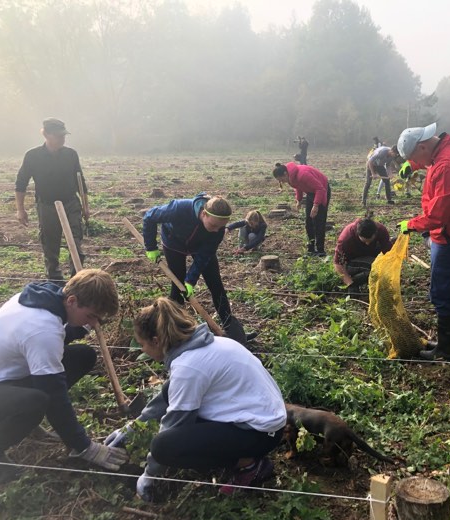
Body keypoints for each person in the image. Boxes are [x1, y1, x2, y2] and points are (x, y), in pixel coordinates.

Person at [105, 298, 286, 502]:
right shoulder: (207, 345)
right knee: (170, 394)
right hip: (262, 420)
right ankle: (243, 456)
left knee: (163, 447)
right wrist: (133, 428)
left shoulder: (189, 367)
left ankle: (250, 466)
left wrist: (149, 474)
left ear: (156, 341)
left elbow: (173, 425)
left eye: (142, 344)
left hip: (260, 433)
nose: (142, 350)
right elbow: (167, 395)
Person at [0, 269, 127, 484]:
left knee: (82, 356)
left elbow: (57, 334)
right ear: (72, 300)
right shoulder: (41, 330)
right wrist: (83, 447)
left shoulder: (45, 298)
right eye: (91, 316)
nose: (95, 322)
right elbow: (55, 396)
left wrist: (84, 327)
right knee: (38, 401)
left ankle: (23, 422)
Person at [396, 123, 450, 361]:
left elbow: (437, 216)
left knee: (441, 293)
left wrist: (410, 225)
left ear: (423, 146)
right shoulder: (447, 146)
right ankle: (449, 344)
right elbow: (427, 158)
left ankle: (446, 351)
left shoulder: (448, 166)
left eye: (415, 157)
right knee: (449, 292)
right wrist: (411, 164)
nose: (418, 163)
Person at [142, 193, 252, 344]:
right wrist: (151, 247)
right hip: (174, 244)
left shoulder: (217, 231)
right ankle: (175, 332)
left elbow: (204, 256)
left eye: (220, 227)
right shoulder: (179, 209)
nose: (216, 230)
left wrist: (191, 280)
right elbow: (150, 216)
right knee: (177, 287)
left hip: (200, 247)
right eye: (213, 225)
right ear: (204, 213)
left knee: (216, 285)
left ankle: (231, 329)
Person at [16, 118, 89, 282]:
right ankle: (55, 279)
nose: (62, 139)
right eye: (58, 136)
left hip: (71, 203)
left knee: (76, 242)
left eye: (64, 135)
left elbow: (80, 181)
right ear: (46, 134)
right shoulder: (32, 156)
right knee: (50, 244)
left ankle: (77, 278)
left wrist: (85, 206)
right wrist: (20, 209)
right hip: (47, 205)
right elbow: (21, 183)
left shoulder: (71, 154)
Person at [272, 162, 331, 257]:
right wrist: (298, 200)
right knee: (309, 221)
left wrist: (316, 206)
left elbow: (320, 189)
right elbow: (298, 186)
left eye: (281, 179)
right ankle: (311, 249)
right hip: (311, 192)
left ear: (285, 174)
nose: (282, 182)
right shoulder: (291, 177)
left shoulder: (303, 175)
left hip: (322, 190)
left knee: (319, 221)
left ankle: (320, 250)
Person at [333, 216, 393, 295]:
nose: (367, 244)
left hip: (371, 257)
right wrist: (350, 284)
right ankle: (353, 281)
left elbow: (387, 253)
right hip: (351, 263)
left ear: (375, 233)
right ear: (358, 234)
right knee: (375, 266)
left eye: (370, 241)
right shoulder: (346, 238)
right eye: (364, 242)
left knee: (381, 266)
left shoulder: (381, 231)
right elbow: (338, 264)